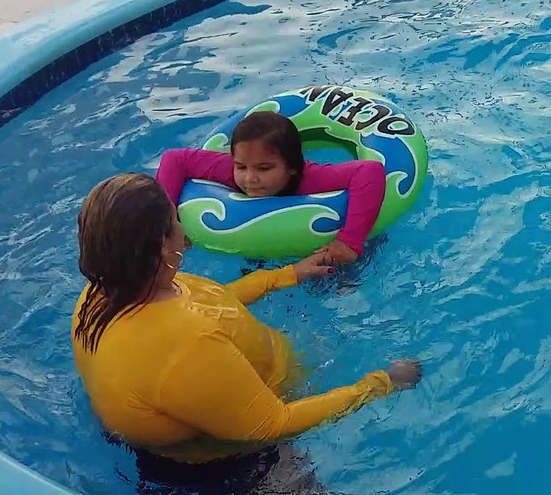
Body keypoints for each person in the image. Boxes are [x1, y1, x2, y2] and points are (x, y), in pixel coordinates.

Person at [71, 173, 422, 489]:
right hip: (233, 467)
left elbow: (209, 300)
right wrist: (379, 385)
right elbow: (272, 425)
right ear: (162, 246)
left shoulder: (105, 291)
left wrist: (286, 275)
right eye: (176, 220)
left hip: (183, 423)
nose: (185, 232)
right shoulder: (184, 348)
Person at [156, 111, 385, 264]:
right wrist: (168, 223)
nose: (249, 178)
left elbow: (370, 171)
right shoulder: (229, 170)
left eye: (264, 169)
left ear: (292, 167)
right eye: (241, 166)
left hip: (313, 245)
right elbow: (174, 159)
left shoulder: (310, 178)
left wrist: (350, 241)